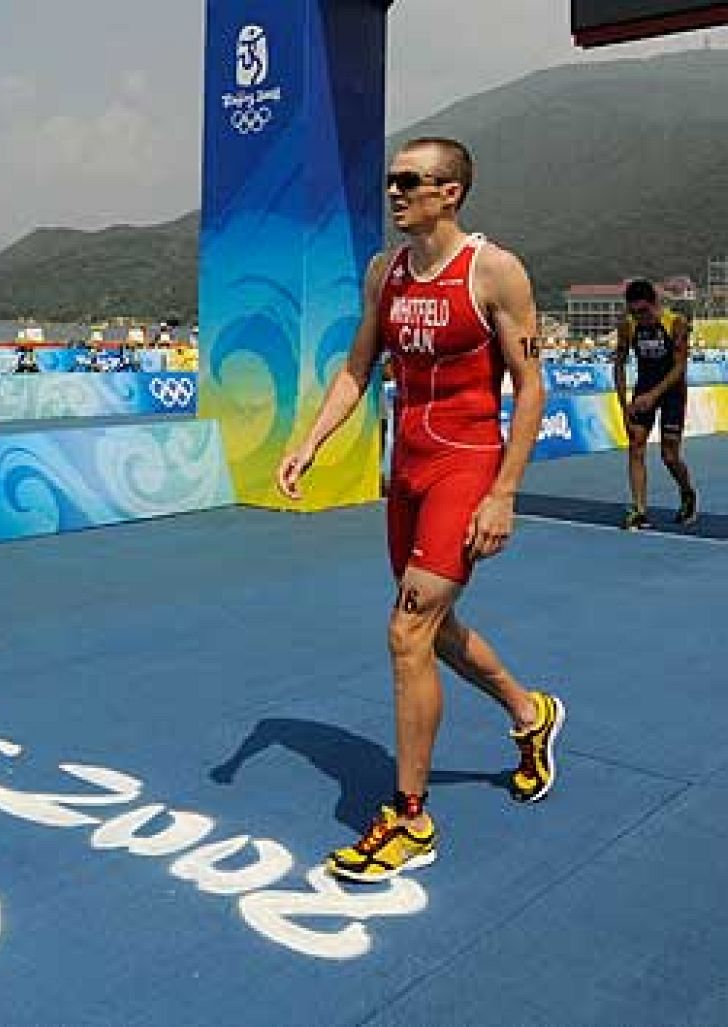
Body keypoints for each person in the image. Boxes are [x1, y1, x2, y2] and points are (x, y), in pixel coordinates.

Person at [276, 137, 565, 882]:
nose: (396, 193)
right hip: (404, 470)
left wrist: (503, 492)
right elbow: (356, 368)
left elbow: (530, 388)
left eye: (411, 181)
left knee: (406, 631)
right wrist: (310, 442)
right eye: (392, 181)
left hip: (465, 467)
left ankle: (408, 818)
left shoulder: (494, 271)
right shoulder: (387, 272)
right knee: (432, 632)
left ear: (452, 192)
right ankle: (530, 714)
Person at [615, 278, 696, 529]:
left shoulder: (675, 324)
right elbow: (618, 365)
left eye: (643, 311)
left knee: (669, 455)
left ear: (655, 304)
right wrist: (623, 405)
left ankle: (687, 492)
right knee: (636, 446)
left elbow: (680, 366)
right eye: (634, 312)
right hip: (643, 389)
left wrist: (655, 395)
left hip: (672, 391)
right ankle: (639, 510)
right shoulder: (628, 327)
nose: (639, 317)